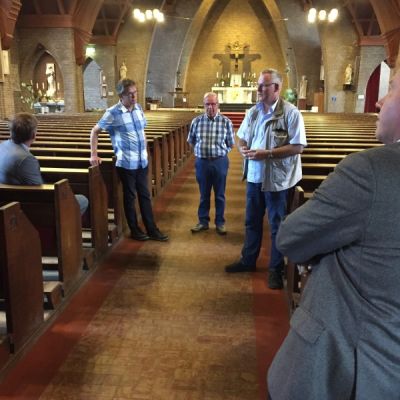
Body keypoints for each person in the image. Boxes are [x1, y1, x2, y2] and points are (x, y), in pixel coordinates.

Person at [267, 68, 400, 399]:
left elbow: (291, 238)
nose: (380, 100)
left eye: (392, 87)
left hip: (350, 370)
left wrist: (328, 249)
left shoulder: (369, 171)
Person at [224, 68, 307, 290]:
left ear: (277, 88)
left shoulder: (291, 113)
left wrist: (267, 153)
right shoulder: (253, 112)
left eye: (263, 86)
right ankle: (248, 260)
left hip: (277, 181)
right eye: (259, 85)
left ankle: (275, 268)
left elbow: (298, 147)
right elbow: (240, 136)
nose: (258, 89)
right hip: (254, 177)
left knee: (276, 225)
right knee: (251, 221)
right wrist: (242, 148)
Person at [90, 78, 168, 242]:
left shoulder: (138, 108)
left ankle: (152, 229)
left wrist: (145, 150)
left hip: (141, 161)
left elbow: (142, 132)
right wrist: (94, 154)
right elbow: (95, 131)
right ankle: (135, 229)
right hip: (126, 163)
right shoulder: (113, 113)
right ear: (121, 95)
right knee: (130, 197)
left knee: (145, 196)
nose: (134, 97)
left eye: (135, 93)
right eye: (130, 94)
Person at [0, 112, 88, 215]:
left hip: (7, 201)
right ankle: (66, 230)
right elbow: (40, 194)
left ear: (11, 133)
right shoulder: (26, 159)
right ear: (34, 135)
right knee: (82, 200)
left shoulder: (3, 146)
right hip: (28, 207)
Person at [187, 92, 235, 235]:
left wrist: (220, 151)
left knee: (220, 194)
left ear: (218, 105)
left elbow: (231, 144)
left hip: (220, 162)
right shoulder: (197, 121)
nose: (211, 107)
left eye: (213, 104)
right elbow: (191, 140)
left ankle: (220, 222)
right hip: (202, 163)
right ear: (204, 105)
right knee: (204, 194)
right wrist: (201, 151)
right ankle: (203, 221)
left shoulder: (226, 122)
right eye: (208, 104)